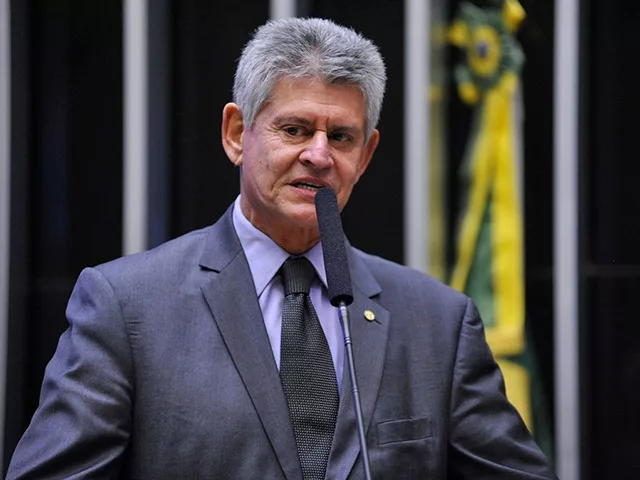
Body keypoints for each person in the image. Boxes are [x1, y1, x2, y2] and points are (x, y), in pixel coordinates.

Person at [7, 17, 555, 480]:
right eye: (294, 130)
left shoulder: (438, 322)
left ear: (365, 156)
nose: (318, 155)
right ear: (236, 134)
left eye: (340, 137)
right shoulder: (126, 307)